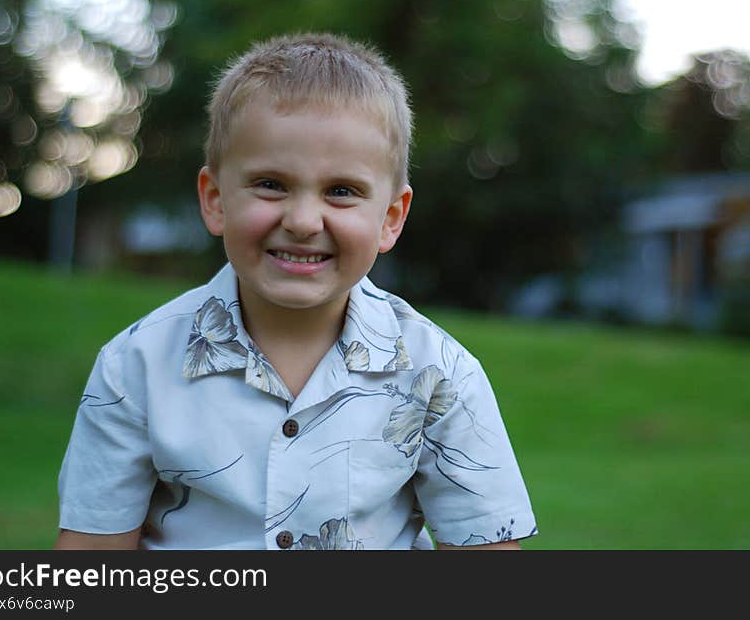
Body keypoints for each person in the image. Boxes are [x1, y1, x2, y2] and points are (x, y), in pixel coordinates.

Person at [55, 32, 537, 550]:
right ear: (215, 200)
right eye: (270, 184)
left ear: (391, 219)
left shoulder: (439, 373)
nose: (304, 221)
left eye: (342, 192)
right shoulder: (136, 366)